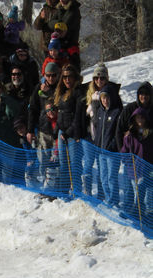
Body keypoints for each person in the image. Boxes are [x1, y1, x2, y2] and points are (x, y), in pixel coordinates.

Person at [77, 63, 122, 197]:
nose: (99, 81)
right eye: (96, 78)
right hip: (92, 136)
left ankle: (105, 196)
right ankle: (91, 192)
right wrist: (79, 132)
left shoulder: (113, 95)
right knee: (94, 166)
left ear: (106, 79)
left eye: (102, 78)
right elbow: (80, 114)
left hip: (106, 139)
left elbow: (119, 119)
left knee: (106, 172)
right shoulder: (87, 93)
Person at [54, 64, 83, 193]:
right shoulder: (61, 92)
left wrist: (68, 132)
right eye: (65, 77)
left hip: (72, 134)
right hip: (62, 132)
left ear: (75, 77)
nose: (67, 80)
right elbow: (60, 114)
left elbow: (78, 117)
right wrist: (57, 130)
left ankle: (77, 192)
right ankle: (64, 191)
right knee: (63, 164)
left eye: (70, 77)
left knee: (74, 166)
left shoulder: (78, 93)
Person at [120, 107, 153, 219]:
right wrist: (130, 163)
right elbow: (124, 153)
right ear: (134, 119)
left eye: (142, 117)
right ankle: (138, 215)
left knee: (146, 195)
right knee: (137, 195)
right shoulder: (130, 136)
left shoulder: (150, 134)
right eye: (137, 117)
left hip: (148, 170)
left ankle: (146, 215)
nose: (140, 119)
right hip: (134, 171)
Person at [92, 85, 122, 207]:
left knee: (111, 178)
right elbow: (98, 131)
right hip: (101, 152)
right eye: (103, 98)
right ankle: (109, 199)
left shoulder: (117, 112)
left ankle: (114, 201)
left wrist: (112, 145)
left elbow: (118, 133)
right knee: (103, 178)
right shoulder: (100, 111)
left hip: (112, 152)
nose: (105, 100)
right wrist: (96, 145)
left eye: (107, 98)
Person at [27, 61, 60, 145]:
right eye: (48, 75)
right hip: (43, 129)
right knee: (43, 157)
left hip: (58, 129)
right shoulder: (39, 87)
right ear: (44, 75)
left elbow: (62, 103)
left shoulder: (61, 87)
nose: (51, 78)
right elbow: (32, 108)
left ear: (57, 75)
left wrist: (49, 92)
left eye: (53, 75)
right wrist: (30, 130)